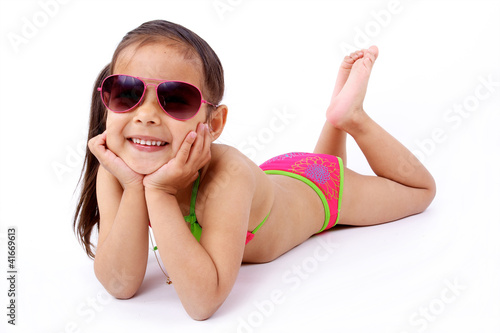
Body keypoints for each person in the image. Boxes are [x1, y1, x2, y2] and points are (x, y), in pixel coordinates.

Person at [74, 20, 436, 320]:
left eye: (176, 100)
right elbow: (120, 285)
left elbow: (203, 303)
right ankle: (336, 113)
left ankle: (350, 117)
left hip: (323, 189)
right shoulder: (116, 171)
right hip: (279, 176)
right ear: (107, 100)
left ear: (213, 124)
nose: (147, 115)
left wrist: (159, 192)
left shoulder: (228, 174)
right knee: (318, 170)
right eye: (126, 92)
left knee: (421, 192)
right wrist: (136, 187)